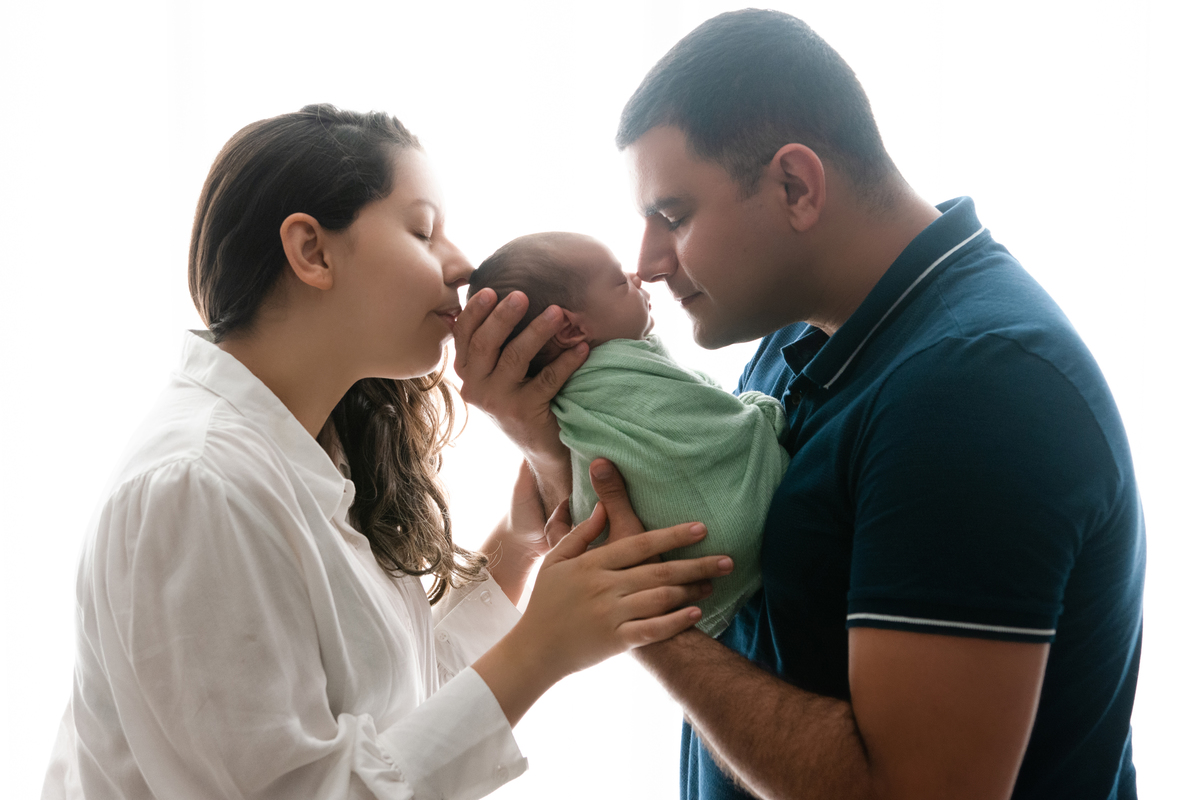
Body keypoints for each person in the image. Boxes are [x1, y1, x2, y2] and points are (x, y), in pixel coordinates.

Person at [454, 9, 1145, 800]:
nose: (648, 262)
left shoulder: (977, 390)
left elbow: (908, 791)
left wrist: (640, 620)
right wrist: (547, 434)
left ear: (795, 186)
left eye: (673, 216)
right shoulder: (802, 331)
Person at [40, 104, 734, 800]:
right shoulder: (198, 485)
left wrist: (521, 543)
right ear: (312, 252)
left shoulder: (313, 452)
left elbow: (396, 709)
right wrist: (543, 649)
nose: (462, 265)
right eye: (423, 231)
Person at [466, 231, 789, 635]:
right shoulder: (623, 364)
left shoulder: (557, 397)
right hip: (724, 533)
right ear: (569, 330)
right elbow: (714, 420)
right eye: (620, 282)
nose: (638, 275)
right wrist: (761, 412)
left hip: (673, 581)